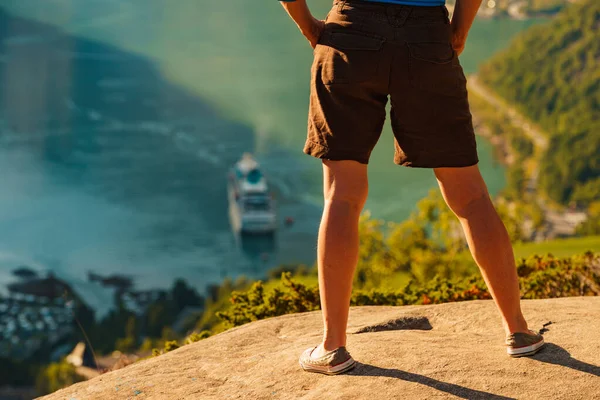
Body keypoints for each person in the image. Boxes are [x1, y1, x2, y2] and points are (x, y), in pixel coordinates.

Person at [279, 0, 545, 375]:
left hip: (350, 35)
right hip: (427, 39)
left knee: (342, 195)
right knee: (470, 196)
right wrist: (458, 30)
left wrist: (308, 25)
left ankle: (333, 346)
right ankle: (518, 331)